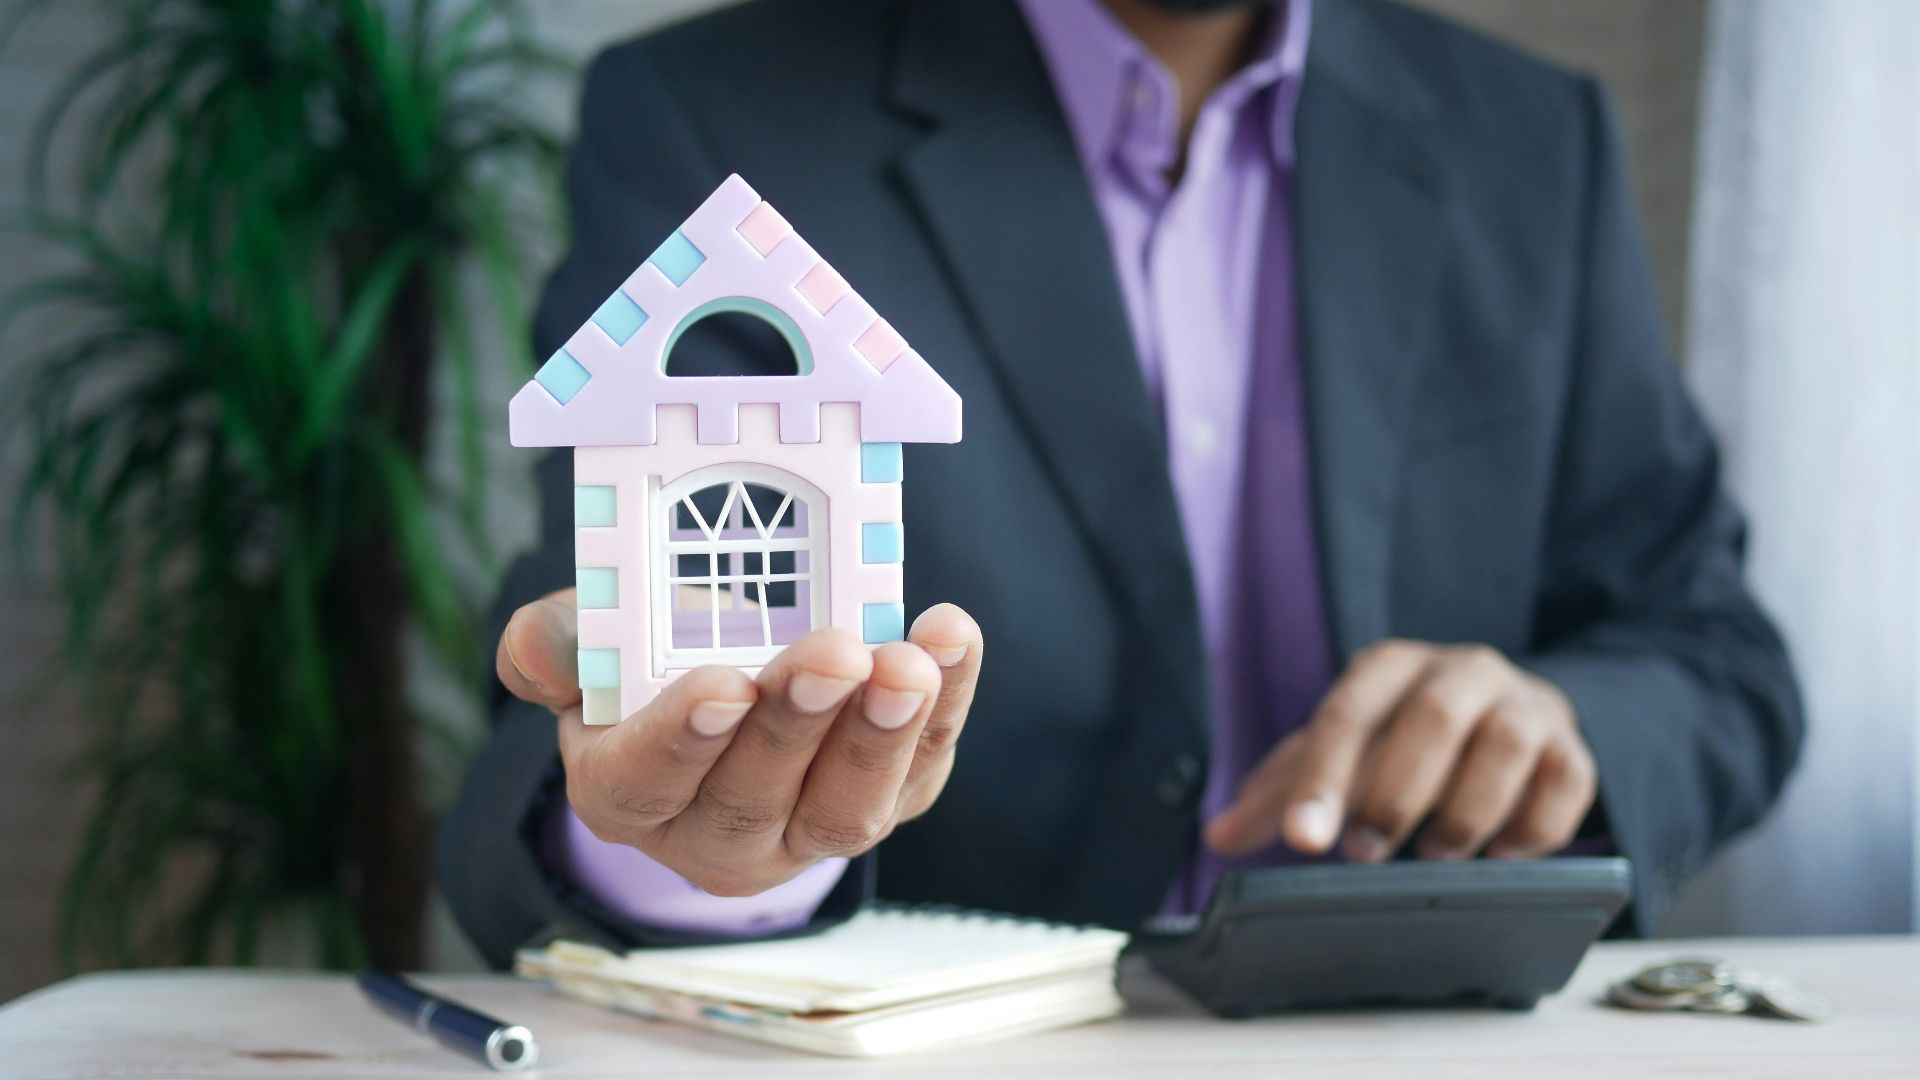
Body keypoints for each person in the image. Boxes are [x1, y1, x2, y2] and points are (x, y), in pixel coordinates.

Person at [437, 0, 1802, 968]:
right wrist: (695, 852)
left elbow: (1717, 657)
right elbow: (597, 682)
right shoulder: (713, 119)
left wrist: (1560, 725)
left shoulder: (1533, 140)